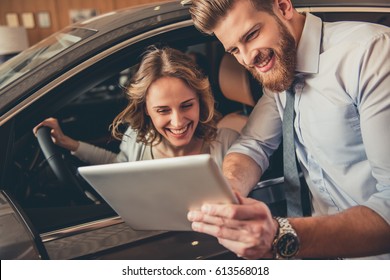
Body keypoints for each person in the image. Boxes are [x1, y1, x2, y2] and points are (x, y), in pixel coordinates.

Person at [187, 0, 390, 259]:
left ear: (283, 7)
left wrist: (281, 234)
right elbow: (252, 145)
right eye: (235, 50)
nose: (248, 58)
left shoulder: (370, 53)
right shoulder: (279, 71)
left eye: (251, 35)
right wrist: (229, 192)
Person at [33, 46, 239, 169]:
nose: (178, 121)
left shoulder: (227, 143)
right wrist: (69, 143)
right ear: (146, 109)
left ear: (200, 101)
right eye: (163, 110)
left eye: (186, 105)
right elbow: (119, 167)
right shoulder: (137, 139)